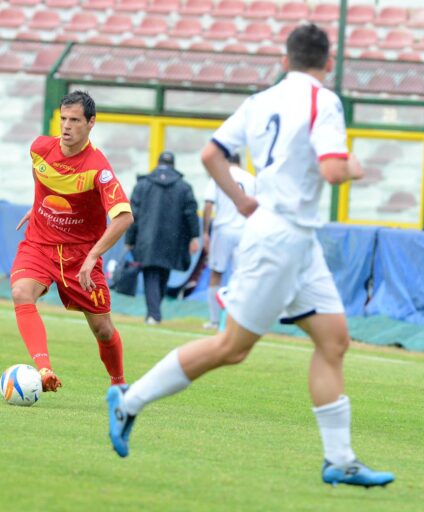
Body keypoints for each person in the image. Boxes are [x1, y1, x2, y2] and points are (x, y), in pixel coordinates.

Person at [106, 24, 395, 487]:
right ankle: (128, 401)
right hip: (281, 239)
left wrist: (240, 201)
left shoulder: (259, 102)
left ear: (285, 60)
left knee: (334, 340)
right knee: (232, 348)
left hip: (295, 240)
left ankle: (340, 460)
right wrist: (355, 166)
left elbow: (210, 154)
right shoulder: (325, 100)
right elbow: (334, 168)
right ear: (328, 61)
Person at [11, 90, 133, 392]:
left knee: (103, 330)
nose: (66, 126)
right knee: (21, 292)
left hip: (80, 256)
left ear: (91, 123)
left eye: (75, 120)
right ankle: (44, 369)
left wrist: (93, 256)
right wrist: (38, 204)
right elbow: (41, 177)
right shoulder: (40, 148)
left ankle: (118, 384)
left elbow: (123, 217)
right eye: (63, 119)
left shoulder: (98, 169)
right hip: (39, 244)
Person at [125, 151, 200, 325]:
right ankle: (154, 314)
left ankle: (153, 315)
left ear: (157, 163)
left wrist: (129, 240)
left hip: (146, 238)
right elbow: (191, 214)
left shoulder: (142, 185)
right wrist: (194, 237)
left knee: (150, 274)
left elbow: (132, 215)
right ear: (174, 165)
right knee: (163, 274)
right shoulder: (184, 187)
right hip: (173, 240)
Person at [202, 153, 255, 329]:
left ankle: (215, 320)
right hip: (244, 230)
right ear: (240, 161)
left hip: (223, 230)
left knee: (216, 273)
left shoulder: (220, 176)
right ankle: (236, 320)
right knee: (240, 275)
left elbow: (208, 204)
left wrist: (206, 232)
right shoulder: (250, 178)